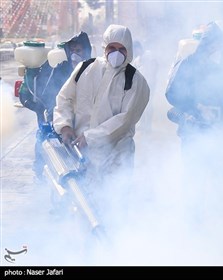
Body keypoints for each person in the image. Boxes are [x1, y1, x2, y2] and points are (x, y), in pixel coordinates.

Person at [165, 21, 223, 224]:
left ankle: (217, 219)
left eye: (219, 45)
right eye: (211, 45)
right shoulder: (190, 63)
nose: (215, 50)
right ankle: (193, 221)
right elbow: (172, 92)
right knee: (194, 177)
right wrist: (196, 107)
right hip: (193, 131)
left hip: (221, 132)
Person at [52, 24, 150, 192]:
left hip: (116, 157)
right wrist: (65, 125)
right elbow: (65, 98)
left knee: (113, 205)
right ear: (104, 46)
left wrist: (90, 138)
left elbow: (125, 120)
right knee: (81, 201)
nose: (116, 53)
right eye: (112, 47)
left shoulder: (134, 80)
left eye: (122, 49)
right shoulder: (85, 68)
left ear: (129, 50)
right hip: (80, 153)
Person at [19, 32, 92, 182]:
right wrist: (56, 117)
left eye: (78, 51)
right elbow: (49, 94)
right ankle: (42, 176)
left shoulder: (92, 70)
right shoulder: (60, 69)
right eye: (72, 50)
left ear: (86, 51)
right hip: (60, 122)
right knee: (52, 155)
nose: (74, 54)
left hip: (83, 127)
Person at [132, 40, 158, 133]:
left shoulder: (149, 55)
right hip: (140, 86)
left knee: (149, 105)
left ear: (138, 48)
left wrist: (152, 79)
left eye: (135, 49)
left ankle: (148, 126)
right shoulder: (136, 60)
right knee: (141, 105)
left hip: (150, 84)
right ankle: (143, 125)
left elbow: (155, 67)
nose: (134, 52)